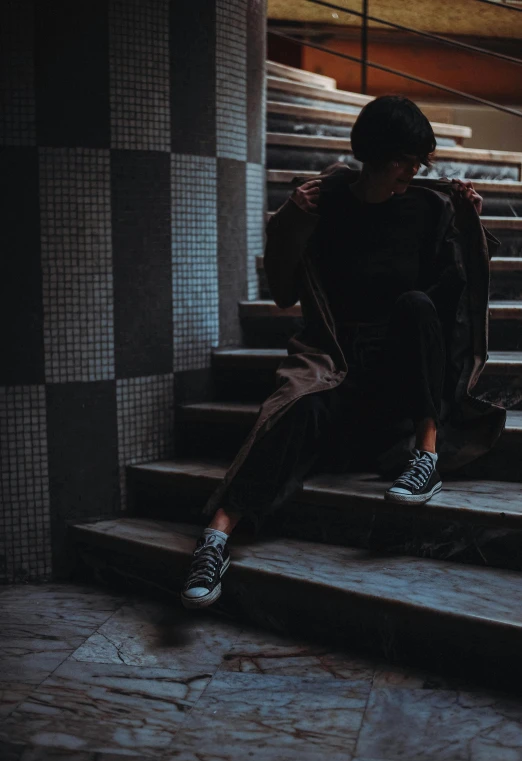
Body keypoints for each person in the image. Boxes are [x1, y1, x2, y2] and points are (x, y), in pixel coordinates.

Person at [181, 95, 503, 611]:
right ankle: (215, 539)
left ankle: (427, 455)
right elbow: (285, 292)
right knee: (293, 405)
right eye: (408, 160)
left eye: (418, 163)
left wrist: (468, 225)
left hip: (403, 374)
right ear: (384, 157)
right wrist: (288, 221)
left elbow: (454, 305)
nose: (415, 170)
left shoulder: (427, 208)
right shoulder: (324, 208)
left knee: (417, 305)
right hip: (338, 365)